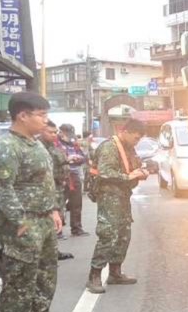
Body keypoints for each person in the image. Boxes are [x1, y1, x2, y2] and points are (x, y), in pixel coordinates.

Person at [0, 92, 68, 312]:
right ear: (23, 115)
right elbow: (3, 189)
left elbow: (44, 182)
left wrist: (54, 210)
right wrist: (19, 221)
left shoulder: (35, 145)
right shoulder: (6, 147)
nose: (46, 121)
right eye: (42, 115)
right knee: (20, 279)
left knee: (45, 274)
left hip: (43, 219)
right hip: (23, 223)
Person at [86, 118, 148, 295]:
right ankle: (95, 275)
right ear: (125, 131)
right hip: (109, 196)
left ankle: (115, 272)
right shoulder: (109, 147)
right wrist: (129, 177)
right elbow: (105, 172)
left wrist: (141, 171)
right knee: (108, 234)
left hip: (122, 196)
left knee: (123, 234)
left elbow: (134, 166)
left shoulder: (129, 148)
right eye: (136, 138)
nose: (137, 141)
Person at [41, 122, 75, 261]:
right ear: (42, 131)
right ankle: (46, 253)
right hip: (49, 188)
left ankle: (54, 250)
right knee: (49, 222)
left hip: (59, 187)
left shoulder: (53, 146)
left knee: (59, 217)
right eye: (50, 132)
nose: (54, 135)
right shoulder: (40, 148)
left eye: (55, 132)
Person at [56, 123, 89, 236]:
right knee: (59, 204)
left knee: (76, 203)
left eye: (70, 134)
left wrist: (77, 158)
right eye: (66, 134)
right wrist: (67, 159)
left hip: (74, 175)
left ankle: (76, 228)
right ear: (60, 132)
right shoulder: (55, 144)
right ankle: (57, 231)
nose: (69, 137)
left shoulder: (74, 144)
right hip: (61, 176)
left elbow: (83, 157)